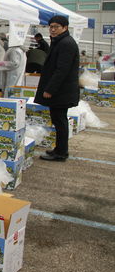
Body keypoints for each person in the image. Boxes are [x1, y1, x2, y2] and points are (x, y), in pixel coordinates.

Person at [35, 15, 80, 162]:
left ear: (65, 28)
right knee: (58, 120)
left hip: (61, 91)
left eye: (56, 27)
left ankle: (61, 152)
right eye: (51, 27)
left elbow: (62, 70)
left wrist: (50, 89)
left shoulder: (66, 43)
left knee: (60, 121)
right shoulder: (60, 41)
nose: (53, 30)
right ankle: (60, 149)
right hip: (61, 91)